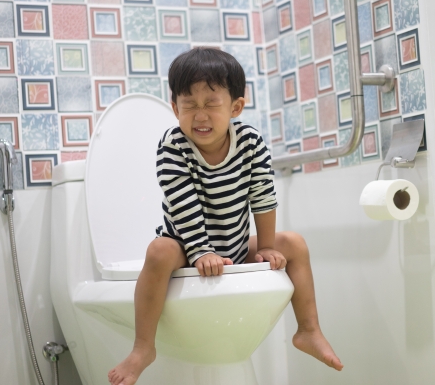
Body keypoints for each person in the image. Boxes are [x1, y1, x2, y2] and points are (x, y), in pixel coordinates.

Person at [108, 48, 343, 385]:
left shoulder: (251, 142)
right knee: (158, 251)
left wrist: (265, 246)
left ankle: (308, 329)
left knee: (294, 243)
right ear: (175, 108)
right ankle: (143, 346)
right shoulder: (173, 145)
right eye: (189, 104)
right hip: (184, 245)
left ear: (235, 107)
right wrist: (201, 251)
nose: (199, 115)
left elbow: (262, 194)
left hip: (233, 245)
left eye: (211, 103)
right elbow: (183, 202)